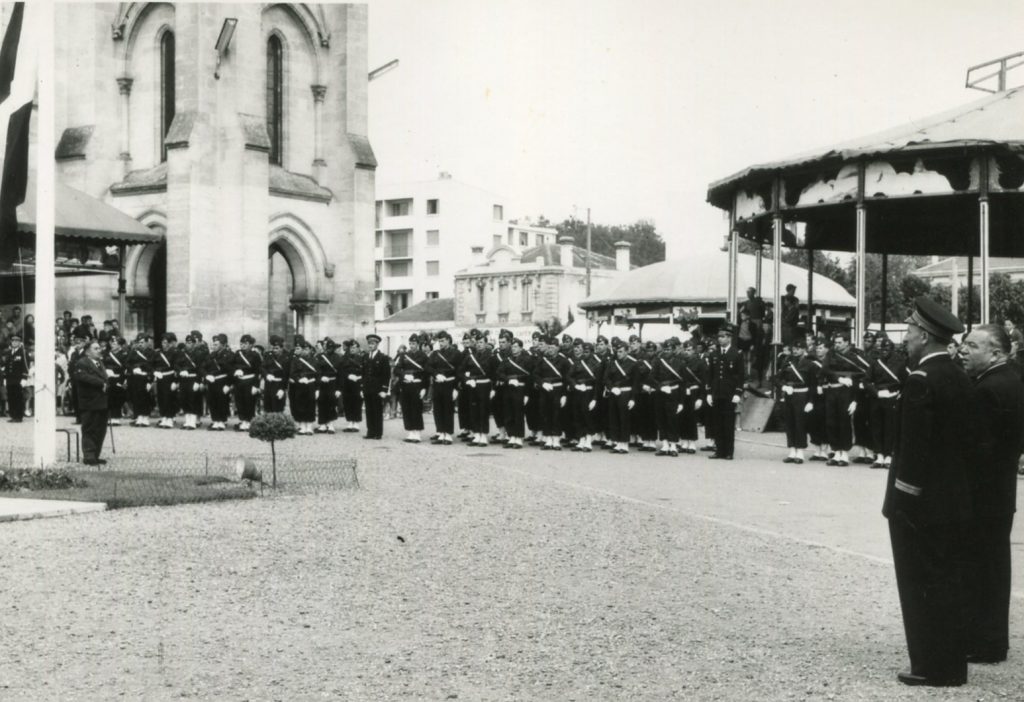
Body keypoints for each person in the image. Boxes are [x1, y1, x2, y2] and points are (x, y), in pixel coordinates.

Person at [882, 295, 972, 687]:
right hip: (952, 497)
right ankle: (950, 664)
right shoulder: (958, 375)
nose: (905, 339)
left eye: (909, 331)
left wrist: (902, 502)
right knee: (948, 582)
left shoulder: (921, 380)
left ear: (923, 335)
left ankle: (930, 666)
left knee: (920, 584)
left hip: (920, 504)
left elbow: (914, 452)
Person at [959, 323, 1024, 665]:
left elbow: (976, 449)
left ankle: (983, 643)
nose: (964, 350)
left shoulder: (987, 389)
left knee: (981, 568)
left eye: (972, 345)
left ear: (996, 352)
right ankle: (992, 640)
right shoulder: (1010, 380)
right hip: (999, 493)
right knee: (994, 568)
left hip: (981, 495)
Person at [706, 323, 744, 460]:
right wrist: (709, 393)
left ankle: (728, 451)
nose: (720, 339)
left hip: (729, 394)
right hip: (717, 393)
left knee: (728, 424)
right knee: (717, 423)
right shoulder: (714, 354)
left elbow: (741, 376)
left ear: (730, 338)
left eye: (723, 337)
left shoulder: (737, 354)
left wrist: (738, 393)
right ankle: (719, 450)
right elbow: (710, 375)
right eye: (719, 337)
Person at [73, 340, 110, 466]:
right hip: (89, 402)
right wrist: (101, 383)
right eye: (96, 348)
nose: (99, 350)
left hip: (102, 402)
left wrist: (107, 384)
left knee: (100, 429)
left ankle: (95, 455)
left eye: (99, 348)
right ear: (88, 351)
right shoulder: (82, 363)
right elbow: (82, 377)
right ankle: (89, 456)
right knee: (89, 428)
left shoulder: (100, 363)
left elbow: (105, 378)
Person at [362, 334, 391, 439]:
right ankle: (370, 432)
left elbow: (386, 375)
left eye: (373, 343)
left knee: (377, 410)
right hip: (367, 388)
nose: (370, 345)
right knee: (369, 410)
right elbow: (363, 373)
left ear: (377, 344)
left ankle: (378, 433)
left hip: (378, 389)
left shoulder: (382, 358)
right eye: (369, 343)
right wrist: (362, 387)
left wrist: (384, 389)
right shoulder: (365, 357)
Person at [2, 333, 29, 422]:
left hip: (18, 379)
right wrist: (5, 378)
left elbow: (26, 366)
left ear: (20, 342)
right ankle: (13, 415)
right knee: (11, 397)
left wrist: (24, 378)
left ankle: (19, 416)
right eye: (13, 341)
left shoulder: (23, 352)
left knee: (18, 397)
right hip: (10, 379)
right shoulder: (8, 352)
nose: (14, 342)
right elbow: (6, 366)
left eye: (16, 341)